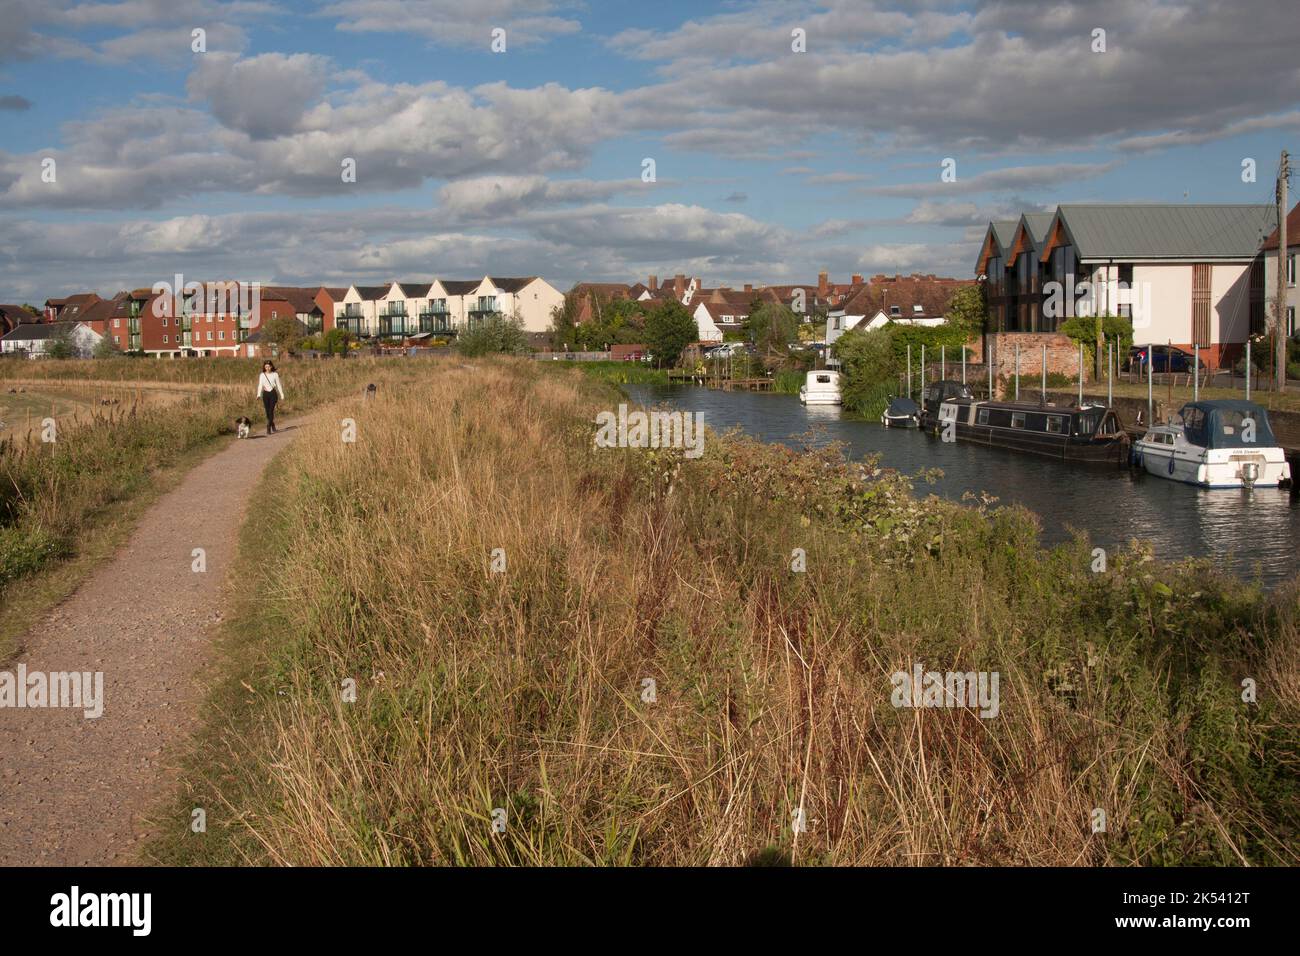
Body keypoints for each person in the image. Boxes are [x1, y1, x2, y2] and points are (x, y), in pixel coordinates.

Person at [257, 360, 285, 434]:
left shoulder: (275, 374)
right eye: (266, 367)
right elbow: (260, 385)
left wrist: (282, 395)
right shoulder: (262, 375)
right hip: (265, 394)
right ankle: (272, 424)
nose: (267, 368)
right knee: (267, 412)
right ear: (264, 367)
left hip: (273, 393)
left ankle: (268, 427)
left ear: (271, 367)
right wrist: (258, 394)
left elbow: (279, 385)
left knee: (271, 410)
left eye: (269, 366)